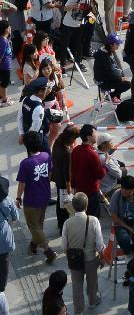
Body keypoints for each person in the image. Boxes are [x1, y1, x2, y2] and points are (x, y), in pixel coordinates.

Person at [60, 192, 104, 315]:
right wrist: (101, 255)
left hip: (75, 259)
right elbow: (100, 243)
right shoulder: (93, 220)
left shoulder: (67, 223)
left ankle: (78, 312)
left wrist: (68, 253)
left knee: (77, 284)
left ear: (73, 206)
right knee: (92, 280)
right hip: (91, 258)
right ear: (87, 205)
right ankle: (92, 301)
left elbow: (64, 245)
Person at [15, 130, 57, 263]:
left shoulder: (26, 163)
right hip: (45, 196)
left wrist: (18, 197)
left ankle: (47, 249)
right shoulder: (46, 156)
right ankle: (34, 244)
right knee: (39, 223)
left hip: (32, 200)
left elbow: (22, 184)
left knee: (33, 225)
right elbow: (49, 175)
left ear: (27, 146)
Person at [70, 125, 105, 218]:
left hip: (79, 191)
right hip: (92, 192)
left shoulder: (75, 150)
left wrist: (73, 185)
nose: (97, 135)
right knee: (93, 218)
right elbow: (100, 175)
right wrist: (105, 164)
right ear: (89, 137)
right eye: (95, 133)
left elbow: (73, 170)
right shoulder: (92, 154)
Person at [110, 175, 134, 254]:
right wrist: (128, 228)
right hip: (121, 223)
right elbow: (114, 217)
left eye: (127, 189)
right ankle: (129, 253)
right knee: (124, 239)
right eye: (122, 188)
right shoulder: (116, 195)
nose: (123, 191)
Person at [51, 124, 79, 232]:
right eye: (75, 138)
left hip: (57, 177)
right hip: (63, 183)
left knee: (60, 203)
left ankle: (60, 223)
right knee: (64, 206)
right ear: (71, 138)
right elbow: (67, 173)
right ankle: (63, 226)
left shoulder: (58, 141)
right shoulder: (66, 153)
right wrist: (69, 188)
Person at [18, 77, 52, 152]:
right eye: (47, 88)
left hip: (27, 135)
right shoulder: (39, 108)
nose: (48, 89)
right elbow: (35, 128)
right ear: (40, 92)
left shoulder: (26, 99)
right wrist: (25, 138)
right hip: (38, 138)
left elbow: (20, 117)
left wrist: (21, 134)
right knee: (46, 157)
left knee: (31, 154)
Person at [93, 33, 131, 100]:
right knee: (127, 84)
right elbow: (111, 72)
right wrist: (120, 78)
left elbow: (113, 69)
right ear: (111, 44)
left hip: (105, 76)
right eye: (117, 44)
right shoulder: (104, 56)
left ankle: (114, 96)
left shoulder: (107, 51)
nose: (118, 45)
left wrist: (120, 76)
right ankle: (112, 96)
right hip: (102, 81)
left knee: (121, 79)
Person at [0, 173, 18, 292]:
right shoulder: (8, 201)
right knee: (4, 263)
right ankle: (1, 288)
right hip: (4, 237)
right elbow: (15, 217)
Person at [0, 20, 13, 106]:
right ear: (5, 29)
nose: (10, 28)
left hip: (5, 65)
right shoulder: (4, 41)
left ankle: (2, 96)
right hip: (5, 66)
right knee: (4, 83)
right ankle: (4, 100)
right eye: (9, 27)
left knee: (3, 82)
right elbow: (1, 55)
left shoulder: (4, 39)